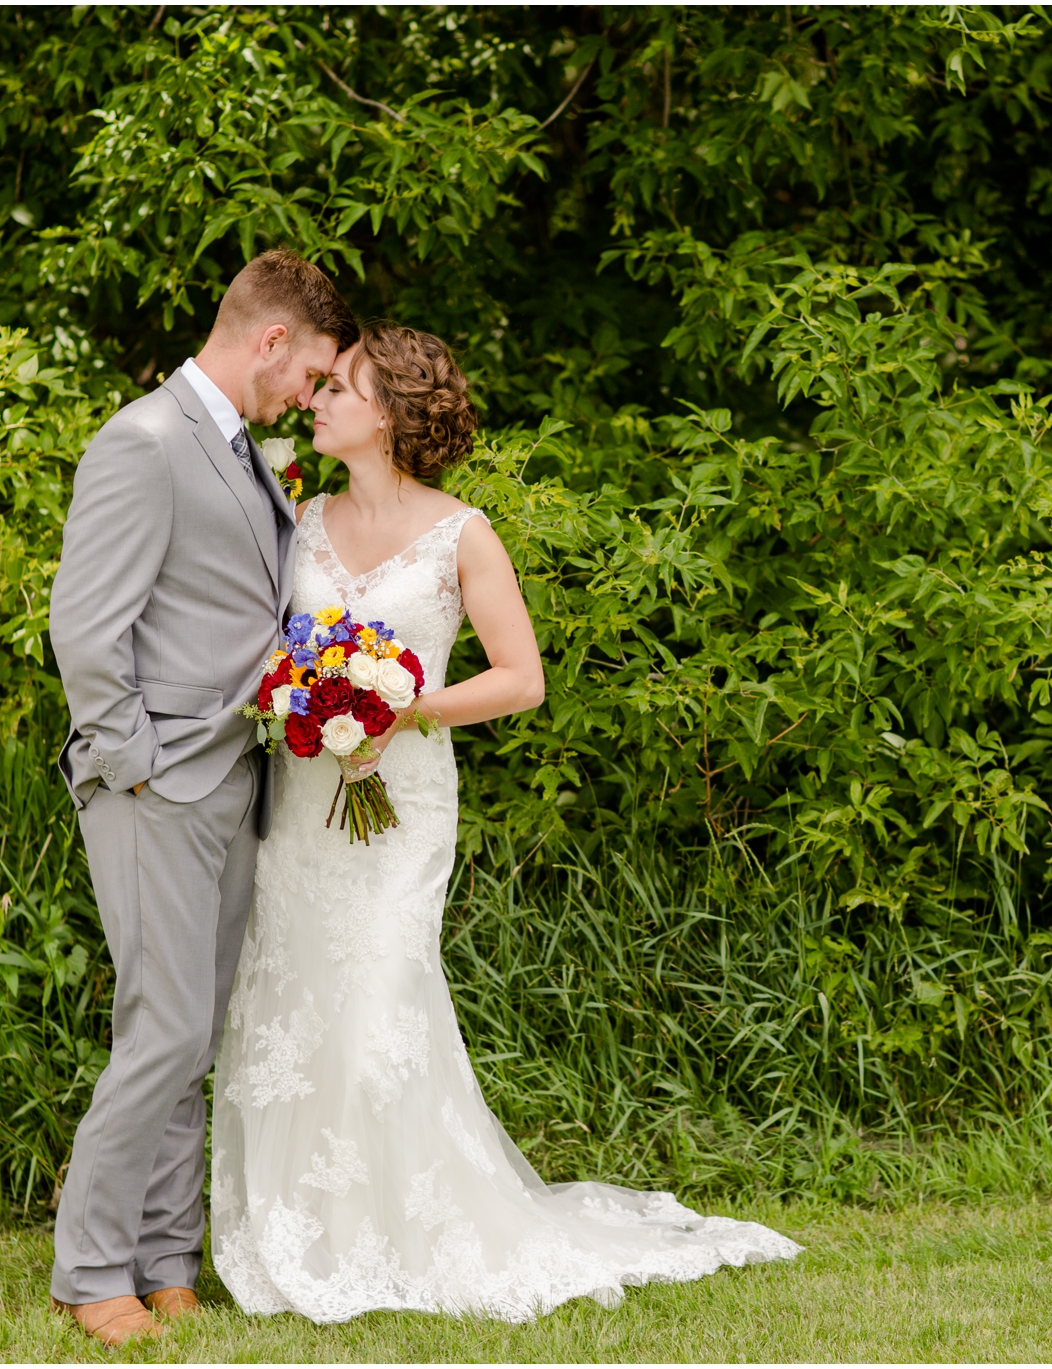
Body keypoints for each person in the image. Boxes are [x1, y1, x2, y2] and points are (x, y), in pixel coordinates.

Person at [208, 323, 800, 1324]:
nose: (317, 400)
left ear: (389, 413)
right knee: (295, 1002)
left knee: (379, 1006)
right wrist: (299, 695)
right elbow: (266, 650)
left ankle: (408, 1229)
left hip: (405, 808)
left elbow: (520, 679)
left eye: (340, 387)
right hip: (305, 801)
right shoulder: (297, 521)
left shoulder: (461, 533)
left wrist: (404, 705)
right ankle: (306, 1228)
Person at [46, 250, 358, 1347]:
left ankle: (167, 1259)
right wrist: (138, 761)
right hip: (160, 780)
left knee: (197, 1028)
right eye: (313, 374)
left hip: (239, 777)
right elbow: (86, 628)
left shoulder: (237, 448)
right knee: (162, 1026)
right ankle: (89, 1267)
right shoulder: (143, 441)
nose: (312, 397)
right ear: (270, 340)